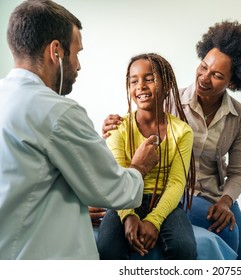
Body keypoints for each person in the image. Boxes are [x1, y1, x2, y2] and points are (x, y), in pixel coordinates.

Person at [0, 0, 158, 260]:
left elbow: (25, 181)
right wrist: (139, 166)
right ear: (56, 51)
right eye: (77, 52)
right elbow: (114, 188)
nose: (78, 65)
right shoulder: (58, 112)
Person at [102, 20, 241, 260]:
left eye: (217, 75)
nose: (205, 78)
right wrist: (108, 127)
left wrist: (226, 202)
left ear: (232, 82)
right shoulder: (167, 99)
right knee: (230, 234)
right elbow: (131, 131)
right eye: (203, 67)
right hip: (183, 193)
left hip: (215, 194)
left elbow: (238, 172)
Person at [97, 53, 197, 260]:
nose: (140, 86)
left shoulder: (182, 131)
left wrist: (154, 220)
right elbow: (118, 178)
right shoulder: (119, 128)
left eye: (149, 79)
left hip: (164, 202)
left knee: (184, 249)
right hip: (124, 201)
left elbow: (176, 183)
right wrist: (128, 216)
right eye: (134, 81)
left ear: (167, 84)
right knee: (107, 249)